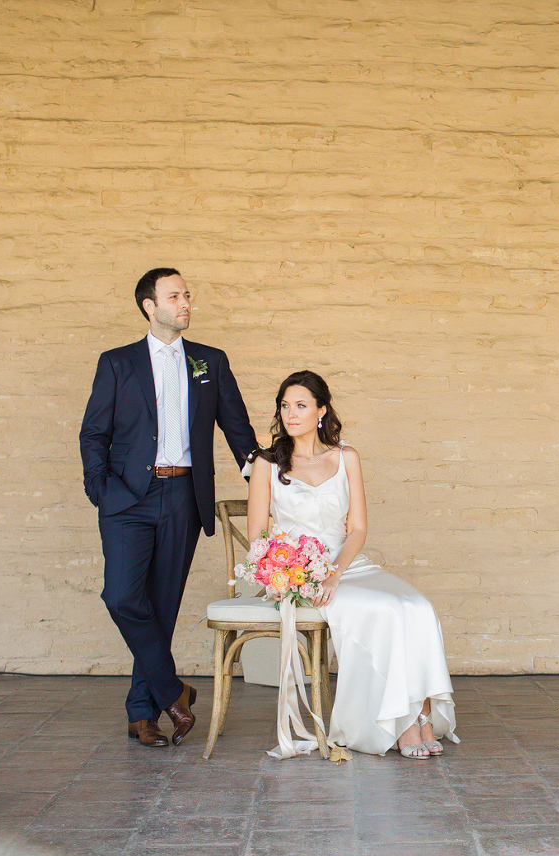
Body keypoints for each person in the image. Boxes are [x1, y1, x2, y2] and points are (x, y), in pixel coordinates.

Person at [80, 268, 258, 747]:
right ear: (148, 305)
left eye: (187, 295)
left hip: (183, 496)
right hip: (127, 498)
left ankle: (143, 713)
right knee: (121, 596)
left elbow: (237, 429)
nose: (185, 303)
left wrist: (260, 478)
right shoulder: (117, 363)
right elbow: (94, 433)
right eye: (174, 296)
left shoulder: (209, 362)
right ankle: (172, 690)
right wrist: (101, 488)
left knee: (161, 608)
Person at [247, 371, 457, 758]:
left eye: (301, 405)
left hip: (346, 566)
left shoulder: (346, 458)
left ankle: (422, 714)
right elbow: (259, 537)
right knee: (387, 610)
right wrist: (293, 573)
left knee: (417, 607)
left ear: (321, 410)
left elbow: (357, 529)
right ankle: (406, 723)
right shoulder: (266, 463)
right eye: (284, 406)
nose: (290, 414)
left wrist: (335, 571)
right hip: (300, 577)